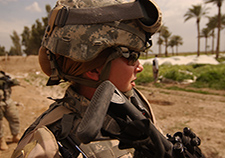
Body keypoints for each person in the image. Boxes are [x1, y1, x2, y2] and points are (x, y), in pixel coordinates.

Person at [12, 0, 163, 157]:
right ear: (94, 69)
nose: (139, 67)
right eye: (132, 57)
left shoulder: (136, 104)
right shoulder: (49, 146)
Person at [0, 71, 20, 150]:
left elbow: (15, 81)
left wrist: (11, 81)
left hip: (8, 101)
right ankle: (1, 140)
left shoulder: (3, 74)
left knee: (14, 117)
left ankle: (15, 135)